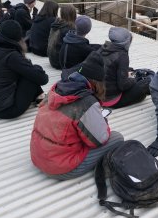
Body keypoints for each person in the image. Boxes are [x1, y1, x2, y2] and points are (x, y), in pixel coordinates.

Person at [30, 51, 124, 179]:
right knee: (116, 138)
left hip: (38, 156)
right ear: (98, 82)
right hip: (59, 168)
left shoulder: (57, 88)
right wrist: (102, 120)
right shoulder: (86, 102)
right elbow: (100, 140)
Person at [0, 20, 49, 119]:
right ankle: (40, 96)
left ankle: (40, 96)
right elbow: (43, 79)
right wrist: (37, 67)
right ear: (18, 37)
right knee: (31, 75)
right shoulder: (11, 56)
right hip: (8, 110)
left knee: (26, 71)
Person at [99, 27, 150, 109]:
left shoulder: (103, 48)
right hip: (111, 100)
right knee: (146, 82)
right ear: (125, 42)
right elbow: (123, 85)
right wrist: (133, 79)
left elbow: (109, 69)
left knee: (130, 69)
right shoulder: (122, 56)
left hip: (99, 94)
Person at [47, 4, 77, 69]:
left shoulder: (56, 23)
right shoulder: (69, 29)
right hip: (60, 63)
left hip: (52, 59)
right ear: (73, 14)